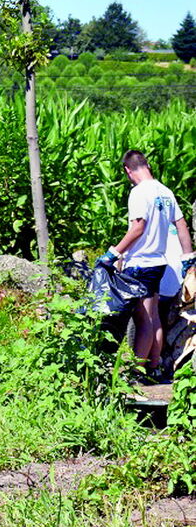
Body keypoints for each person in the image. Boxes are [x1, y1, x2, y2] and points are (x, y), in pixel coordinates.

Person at [97, 150, 194, 378]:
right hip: (158, 263)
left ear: (128, 170)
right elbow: (182, 226)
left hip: (141, 263)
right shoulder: (166, 192)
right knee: (153, 317)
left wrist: (113, 253)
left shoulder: (139, 192)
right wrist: (188, 257)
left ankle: (138, 371)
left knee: (143, 320)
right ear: (147, 165)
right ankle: (153, 366)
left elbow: (137, 228)